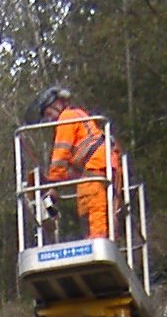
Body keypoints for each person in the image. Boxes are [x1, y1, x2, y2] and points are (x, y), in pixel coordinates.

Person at [31, 85, 110, 240]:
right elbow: (75, 163)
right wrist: (56, 189)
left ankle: (98, 242)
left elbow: (60, 155)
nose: (50, 119)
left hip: (96, 165)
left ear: (57, 104)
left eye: (49, 113)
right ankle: (98, 240)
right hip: (96, 165)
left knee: (94, 207)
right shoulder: (77, 116)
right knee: (95, 208)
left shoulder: (67, 117)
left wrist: (51, 184)